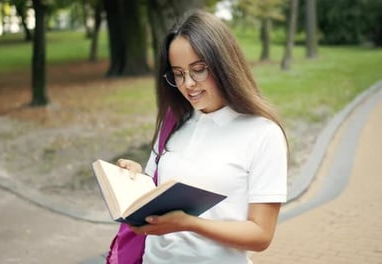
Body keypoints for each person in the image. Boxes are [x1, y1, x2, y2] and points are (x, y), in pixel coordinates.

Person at [117, 10, 288, 263]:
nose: (188, 84)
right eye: (178, 73)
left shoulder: (263, 134)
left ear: (224, 65)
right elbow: (154, 192)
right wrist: (134, 179)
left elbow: (261, 234)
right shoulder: (173, 121)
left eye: (198, 70)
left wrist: (190, 224)